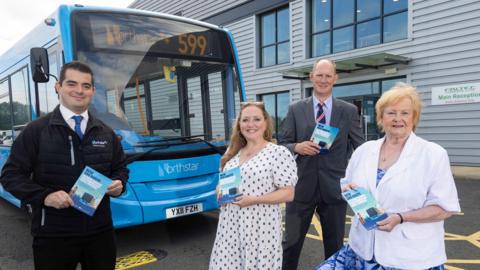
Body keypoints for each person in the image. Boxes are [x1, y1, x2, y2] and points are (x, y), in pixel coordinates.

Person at [314, 83, 461, 269]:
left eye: (405, 113)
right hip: (361, 250)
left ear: (414, 117)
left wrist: (401, 217)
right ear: (381, 117)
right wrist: (350, 192)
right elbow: (347, 184)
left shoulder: (433, 154)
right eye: (391, 113)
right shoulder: (364, 150)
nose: (397, 118)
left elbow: (444, 208)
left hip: (409, 257)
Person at [0, 61, 129, 270]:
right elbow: (10, 176)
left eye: (86, 86)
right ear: (58, 87)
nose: (79, 90)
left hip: (100, 233)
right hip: (53, 235)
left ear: (93, 91)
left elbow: (120, 168)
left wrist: (119, 183)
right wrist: (45, 196)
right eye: (72, 84)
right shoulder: (36, 131)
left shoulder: (106, 132)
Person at [280, 59, 364, 269]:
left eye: (328, 76)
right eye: (319, 75)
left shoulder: (349, 110)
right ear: (311, 77)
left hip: (334, 189)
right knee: (290, 244)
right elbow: (282, 144)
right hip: (301, 189)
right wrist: (297, 147)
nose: (323, 80)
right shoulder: (295, 109)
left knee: (334, 247)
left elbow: (361, 148)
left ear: (335, 78)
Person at [209, 101, 298, 270]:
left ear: (266, 123)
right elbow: (223, 185)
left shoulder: (278, 153)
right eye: (245, 120)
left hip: (260, 229)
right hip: (229, 227)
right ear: (239, 125)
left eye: (256, 119)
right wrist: (220, 192)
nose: (251, 125)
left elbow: (288, 193)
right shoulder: (232, 152)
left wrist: (254, 199)